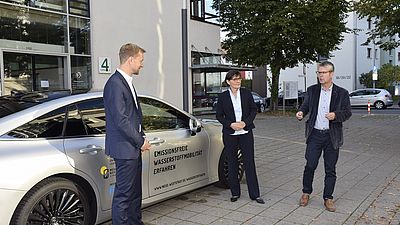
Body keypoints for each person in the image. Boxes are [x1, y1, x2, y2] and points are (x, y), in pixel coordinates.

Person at [104, 43, 151, 225]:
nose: (142, 64)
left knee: (134, 194)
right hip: (125, 149)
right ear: (130, 59)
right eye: (140, 60)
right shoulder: (115, 84)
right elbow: (121, 120)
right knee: (124, 196)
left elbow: (133, 117)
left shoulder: (126, 82)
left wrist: (142, 136)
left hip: (131, 148)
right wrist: (140, 141)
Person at [296, 61, 352, 212]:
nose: (320, 75)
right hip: (315, 134)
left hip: (331, 136)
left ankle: (328, 197)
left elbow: (347, 112)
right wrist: (301, 112)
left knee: (330, 168)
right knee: (310, 165)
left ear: (331, 74)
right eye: (319, 73)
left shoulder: (342, 93)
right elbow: (306, 105)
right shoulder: (312, 90)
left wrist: (335, 115)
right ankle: (306, 193)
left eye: (323, 73)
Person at [216, 70, 265, 204]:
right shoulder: (222, 97)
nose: (238, 81)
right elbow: (219, 116)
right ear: (228, 82)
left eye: (239, 79)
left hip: (245, 133)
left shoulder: (246, 93)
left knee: (249, 163)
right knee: (232, 163)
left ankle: (255, 194)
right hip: (230, 134)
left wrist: (245, 123)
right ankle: (235, 193)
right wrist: (231, 124)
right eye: (235, 79)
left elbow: (253, 110)